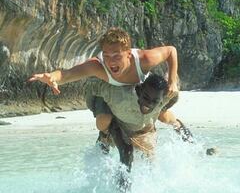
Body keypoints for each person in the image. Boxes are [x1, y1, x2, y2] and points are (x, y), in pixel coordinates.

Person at [28, 27, 182, 136]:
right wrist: (52, 77)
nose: (111, 61)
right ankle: (107, 138)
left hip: (136, 90)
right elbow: (67, 74)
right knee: (103, 122)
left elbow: (171, 51)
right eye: (106, 55)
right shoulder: (98, 67)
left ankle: (180, 127)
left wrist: (172, 80)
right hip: (105, 90)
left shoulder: (145, 59)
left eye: (116, 55)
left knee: (163, 117)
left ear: (128, 54)